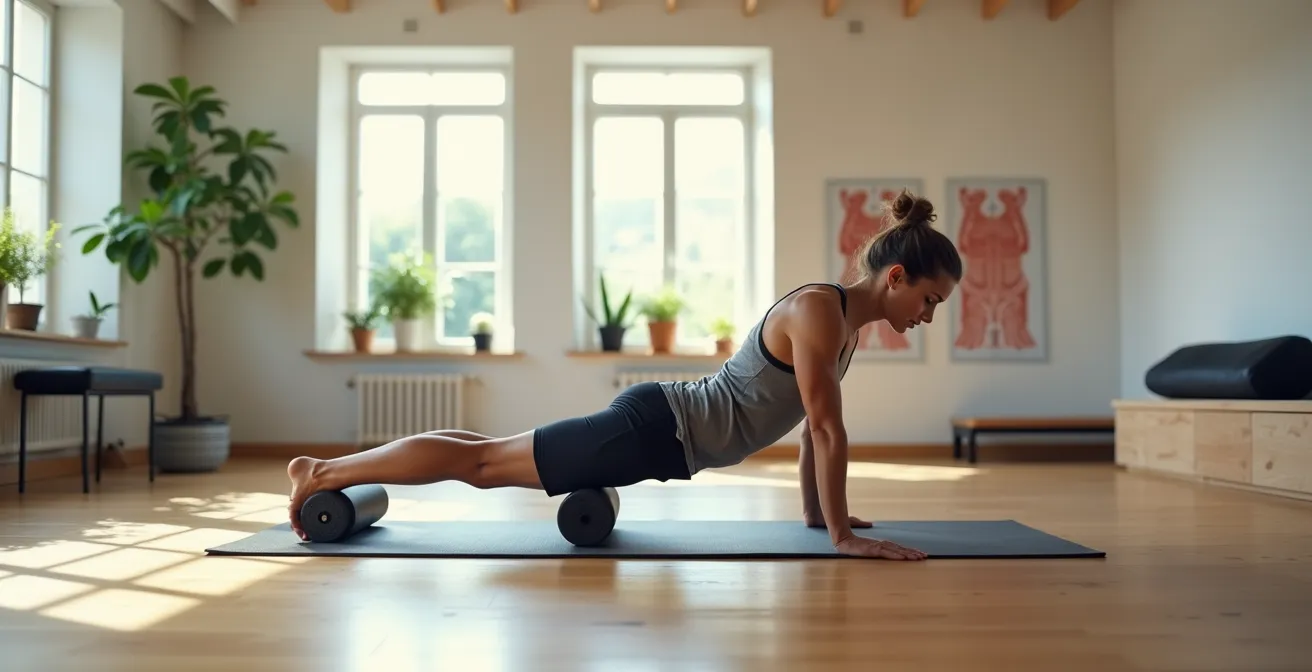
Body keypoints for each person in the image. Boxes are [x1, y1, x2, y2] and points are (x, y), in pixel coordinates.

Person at [286, 188, 962, 560]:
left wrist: (818, 517)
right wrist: (844, 538)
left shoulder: (844, 329)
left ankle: (328, 468)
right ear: (896, 277)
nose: (928, 315)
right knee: (485, 466)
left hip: (663, 429)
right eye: (929, 300)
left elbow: (809, 430)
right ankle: (323, 472)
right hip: (656, 429)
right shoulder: (818, 311)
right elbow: (826, 428)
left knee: (484, 453)